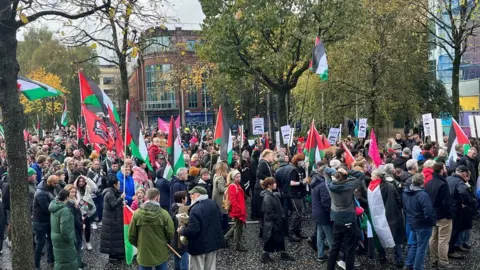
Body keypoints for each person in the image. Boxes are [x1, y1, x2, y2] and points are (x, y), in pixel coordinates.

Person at [179, 186, 226, 270]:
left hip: (198, 246)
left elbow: (193, 230)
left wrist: (182, 230)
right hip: (212, 243)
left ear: (198, 195)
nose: (190, 196)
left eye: (192, 194)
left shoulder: (194, 209)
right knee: (210, 267)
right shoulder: (213, 203)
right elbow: (220, 219)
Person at [128, 188, 174, 270]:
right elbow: (170, 233)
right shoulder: (164, 214)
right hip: (160, 251)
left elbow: (131, 236)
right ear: (158, 197)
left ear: (146, 197)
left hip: (143, 252)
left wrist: (139, 245)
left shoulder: (137, 214)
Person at [368, 169, 405, 267]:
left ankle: (382, 257)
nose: (371, 177)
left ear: (377, 177)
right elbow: (398, 200)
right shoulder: (390, 186)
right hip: (392, 215)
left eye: (372, 175)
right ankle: (399, 259)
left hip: (378, 216)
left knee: (379, 236)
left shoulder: (371, 188)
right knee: (395, 237)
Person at [325, 168, 360, 270]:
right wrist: (348, 171)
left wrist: (334, 172)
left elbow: (325, 171)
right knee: (350, 248)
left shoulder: (330, 186)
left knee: (335, 246)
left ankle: (330, 268)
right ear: (345, 178)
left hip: (337, 219)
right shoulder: (350, 187)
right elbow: (360, 175)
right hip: (349, 218)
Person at [403, 173, 436, 270]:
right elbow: (428, 212)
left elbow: (405, 207)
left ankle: (408, 264)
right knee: (421, 248)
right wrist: (431, 221)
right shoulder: (422, 194)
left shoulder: (406, 192)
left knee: (414, 244)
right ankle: (417, 267)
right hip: (423, 224)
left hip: (413, 222)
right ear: (423, 181)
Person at [425, 162, 454, 269]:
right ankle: (443, 262)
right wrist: (450, 214)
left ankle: (434, 259)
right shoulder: (442, 183)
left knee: (433, 238)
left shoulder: (428, 182)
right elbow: (446, 202)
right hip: (443, 216)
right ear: (441, 170)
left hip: (433, 215)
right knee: (443, 240)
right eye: (444, 168)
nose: (446, 169)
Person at [260, 177, 295, 263]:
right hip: (272, 223)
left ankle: (282, 253)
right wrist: (278, 218)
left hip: (276, 221)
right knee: (271, 239)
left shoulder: (272, 194)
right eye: (274, 183)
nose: (276, 184)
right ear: (269, 186)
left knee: (280, 238)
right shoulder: (267, 197)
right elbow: (269, 212)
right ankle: (265, 255)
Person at [446, 165, 475, 258]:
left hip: (448, 208)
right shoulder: (460, 182)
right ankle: (451, 250)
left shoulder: (448, 178)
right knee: (455, 230)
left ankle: (449, 248)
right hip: (456, 209)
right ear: (464, 173)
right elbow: (463, 193)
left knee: (448, 231)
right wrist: (469, 202)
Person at [33, 175, 59, 269]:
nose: (56, 185)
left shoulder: (49, 189)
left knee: (51, 241)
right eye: (54, 183)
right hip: (40, 221)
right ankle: (36, 265)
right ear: (49, 182)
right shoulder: (41, 193)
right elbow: (47, 208)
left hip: (48, 220)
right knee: (40, 243)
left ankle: (51, 261)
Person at [49, 189, 78, 270]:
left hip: (56, 238)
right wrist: (71, 238)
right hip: (64, 240)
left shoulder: (54, 206)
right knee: (67, 262)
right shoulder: (65, 210)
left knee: (60, 261)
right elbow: (65, 229)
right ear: (67, 197)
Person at [100, 174, 126, 261]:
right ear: (114, 185)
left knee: (116, 238)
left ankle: (118, 253)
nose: (120, 185)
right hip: (112, 220)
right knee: (112, 238)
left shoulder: (113, 191)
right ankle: (113, 255)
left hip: (114, 218)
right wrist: (121, 198)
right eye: (118, 184)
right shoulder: (109, 194)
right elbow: (113, 205)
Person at [310, 161, 333, 261]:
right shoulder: (323, 185)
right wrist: (331, 213)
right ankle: (334, 256)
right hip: (323, 214)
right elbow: (326, 202)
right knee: (330, 236)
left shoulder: (315, 181)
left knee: (320, 235)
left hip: (317, 212)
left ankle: (320, 255)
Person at [224, 169, 247, 252]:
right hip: (238, 211)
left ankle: (225, 238)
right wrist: (239, 209)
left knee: (236, 226)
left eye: (239, 176)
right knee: (238, 228)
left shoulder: (237, 185)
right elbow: (233, 200)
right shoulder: (233, 186)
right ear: (233, 178)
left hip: (239, 210)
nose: (239, 178)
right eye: (237, 177)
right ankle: (237, 245)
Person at [64, 184, 86, 269]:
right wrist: (81, 225)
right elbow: (73, 218)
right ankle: (77, 265)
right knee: (76, 247)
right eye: (71, 192)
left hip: (77, 228)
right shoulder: (69, 204)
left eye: (75, 192)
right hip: (75, 229)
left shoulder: (73, 201)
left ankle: (79, 263)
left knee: (78, 246)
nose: (73, 194)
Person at [73, 175, 97, 251]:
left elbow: (94, 187)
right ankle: (80, 243)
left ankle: (87, 242)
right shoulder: (74, 190)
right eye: (79, 181)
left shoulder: (87, 189)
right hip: (78, 212)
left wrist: (87, 178)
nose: (81, 183)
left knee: (87, 228)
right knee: (78, 228)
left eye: (83, 181)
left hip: (87, 212)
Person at [289, 153, 308, 240]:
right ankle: (291, 232)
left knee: (301, 213)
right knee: (297, 213)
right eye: (302, 160)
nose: (303, 162)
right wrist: (301, 182)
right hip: (295, 194)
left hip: (301, 193)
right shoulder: (294, 170)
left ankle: (298, 231)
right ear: (298, 161)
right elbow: (292, 183)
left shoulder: (303, 170)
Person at [171, 191, 190, 270]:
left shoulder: (172, 207)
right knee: (184, 256)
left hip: (174, 238)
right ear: (183, 200)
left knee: (176, 256)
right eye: (186, 197)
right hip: (182, 238)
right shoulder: (183, 210)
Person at [86, 158, 105, 229]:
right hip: (93, 193)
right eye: (95, 164)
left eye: (98, 164)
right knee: (93, 208)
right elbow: (89, 183)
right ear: (93, 164)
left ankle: (100, 220)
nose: (97, 165)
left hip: (100, 192)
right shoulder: (90, 172)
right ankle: (93, 222)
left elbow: (103, 180)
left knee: (101, 206)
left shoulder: (101, 171)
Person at [212, 162, 229, 231]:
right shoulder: (220, 178)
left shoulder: (215, 175)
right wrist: (229, 188)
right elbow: (221, 189)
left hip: (215, 198)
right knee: (223, 213)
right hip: (221, 199)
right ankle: (224, 228)